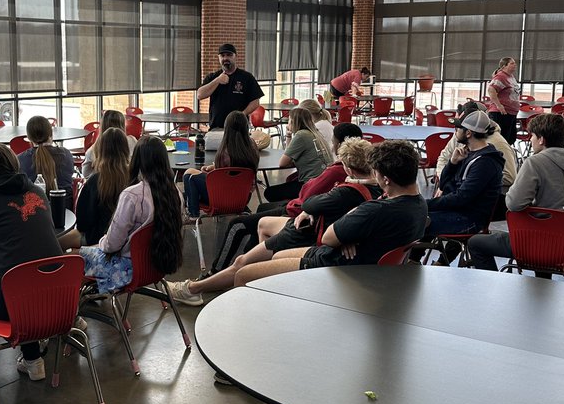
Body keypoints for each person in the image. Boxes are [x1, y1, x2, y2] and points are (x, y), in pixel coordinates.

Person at [169, 137, 380, 305]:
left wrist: (310, 209)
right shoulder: (376, 191)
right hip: (308, 225)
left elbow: (309, 202)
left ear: (348, 169)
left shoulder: (344, 191)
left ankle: (193, 289)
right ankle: (264, 278)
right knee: (263, 223)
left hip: (302, 232)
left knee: (241, 263)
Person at [228, 139, 428, 284]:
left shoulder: (375, 210)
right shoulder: (419, 204)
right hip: (365, 267)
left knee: (243, 275)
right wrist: (351, 234)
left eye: (376, 172)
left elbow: (328, 237)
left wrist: (350, 222)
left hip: (336, 268)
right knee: (275, 257)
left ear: (386, 179)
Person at [0, 144, 63, 386]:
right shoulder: (36, 190)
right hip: (56, 299)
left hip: (11, 299)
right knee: (25, 279)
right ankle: (33, 360)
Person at [209, 122, 364, 273]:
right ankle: (248, 262)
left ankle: (219, 270)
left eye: (333, 141)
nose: (331, 145)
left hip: (300, 216)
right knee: (262, 210)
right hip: (303, 211)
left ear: (338, 145)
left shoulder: (337, 172)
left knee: (238, 224)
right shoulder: (356, 179)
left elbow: (307, 196)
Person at [466, 113, 564, 274]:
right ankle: (541, 285)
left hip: (547, 246)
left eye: (532, 135)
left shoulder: (535, 162)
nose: (531, 140)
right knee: (544, 228)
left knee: (476, 243)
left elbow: (513, 203)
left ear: (541, 140)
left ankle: (494, 286)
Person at [79, 136, 183, 294]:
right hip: (156, 266)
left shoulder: (132, 195)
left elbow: (112, 245)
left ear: (137, 160)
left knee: (75, 259)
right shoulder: (175, 193)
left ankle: (74, 306)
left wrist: (100, 242)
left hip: (128, 269)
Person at [426, 109, 506, 244]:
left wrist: (424, 204)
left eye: (457, 128)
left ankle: (413, 256)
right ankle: (416, 256)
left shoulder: (485, 163)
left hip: (470, 219)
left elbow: (461, 198)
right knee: (417, 217)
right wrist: (452, 163)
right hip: (458, 212)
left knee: (416, 220)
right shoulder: (467, 153)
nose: (455, 132)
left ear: (468, 133)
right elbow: (444, 185)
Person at [183, 110, 259, 219]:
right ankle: (191, 206)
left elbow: (220, 178)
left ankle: (193, 214)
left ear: (226, 128)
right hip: (242, 198)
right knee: (192, 175)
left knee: (189, 176)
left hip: (220, 198)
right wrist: (215, 168)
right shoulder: (252, 146)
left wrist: (214, 169)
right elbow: (234, 170)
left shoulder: (224, 150)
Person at [435, 99, 518, 197]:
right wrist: (443, 181)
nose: (456, 130)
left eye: (459, 126)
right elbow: (444, 157)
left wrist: (473, 178)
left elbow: (510, 177)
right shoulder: (459, 135)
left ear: (469, 130)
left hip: (477, 195)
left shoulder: (498, 143)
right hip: (457, 189)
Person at [72, 126, 131, 249]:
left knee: (56, 244)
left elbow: (82, 224)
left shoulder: (95, 181)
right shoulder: (135, 179)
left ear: (101, 150)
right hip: (128, 240)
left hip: (98, 239)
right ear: (126, 149)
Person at [263, 106, 332, 203]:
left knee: (269, 192)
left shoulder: (301, 135)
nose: (288, 123)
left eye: (289, 120)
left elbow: (283, 163)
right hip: (323, 182)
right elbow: (289, 153)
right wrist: (288, 135)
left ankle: (289, 208)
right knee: (289, 181)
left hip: (310, 185)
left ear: (293, 121)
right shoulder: (315, 133)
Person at [196, 43, 263, 130]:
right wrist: (217, 80)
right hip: (216, 127)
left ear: (235, 57)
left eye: (229, 55)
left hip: (239, 127)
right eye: (222, 56)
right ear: (219, 58)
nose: (225, 58)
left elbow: (255, 102)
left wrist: (242, 114)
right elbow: (200, 95)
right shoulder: (213, 77)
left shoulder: (247, 77)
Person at [17, 115, 75, 208]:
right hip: (65, 209)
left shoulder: (20, 160)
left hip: (34, 212)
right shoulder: (66, 154)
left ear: (29, 137)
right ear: (50, 134)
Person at [81, 109, 138, 178]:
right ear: (123, 125)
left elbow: (85, 173)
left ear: (102, 126)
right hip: (128, 180)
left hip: (102, 182)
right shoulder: (132, 141)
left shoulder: (94, 149)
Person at [486, 56, 521, 145]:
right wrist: (499, 105)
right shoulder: (501, 76)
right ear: (504, 66)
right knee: (501, 140)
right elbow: (491, 90)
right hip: (501, 113)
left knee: (510, 139)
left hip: (510, 112)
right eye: (512, 63)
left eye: (515, 63)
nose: (515, 65)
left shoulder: (510, 76)